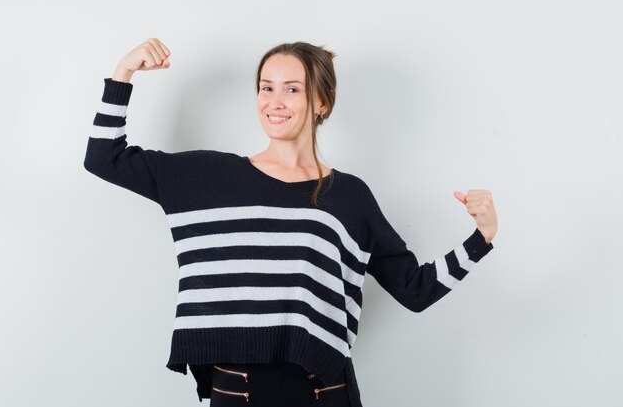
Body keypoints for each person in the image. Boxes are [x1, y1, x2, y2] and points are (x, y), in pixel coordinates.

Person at [84, 38, 498, 407]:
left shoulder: (349, 196)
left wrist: (481, 237)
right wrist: (124, 71)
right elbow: (105, 157)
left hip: (326, 393)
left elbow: (415, 289)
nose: (275, 101)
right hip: (237, 392)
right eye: (266, 87)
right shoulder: (205, 177)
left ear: (322, 103)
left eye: (292, 89)